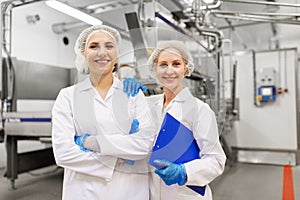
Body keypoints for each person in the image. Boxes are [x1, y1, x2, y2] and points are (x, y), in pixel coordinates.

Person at [51, 25, 155, 200]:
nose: (102, 53)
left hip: (130, 191)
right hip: (84, 192)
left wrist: (94, 144)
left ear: (116, 54)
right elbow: (63, 153)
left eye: (109, 46)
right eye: (93, 46)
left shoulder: (133, 94)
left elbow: (145, 144)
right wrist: (119, 157)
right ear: (84, 53)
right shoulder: (68, 96)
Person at [123, 40, 226, 199]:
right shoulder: (148, 105)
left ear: (185, 69)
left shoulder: (199, 110)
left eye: (176, 64)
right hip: (151, 193)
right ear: (154, 69)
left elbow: (216, 160)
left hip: (185, 194)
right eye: (163, 64)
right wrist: (127, 95)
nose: (169, 70)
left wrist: (184, 172)